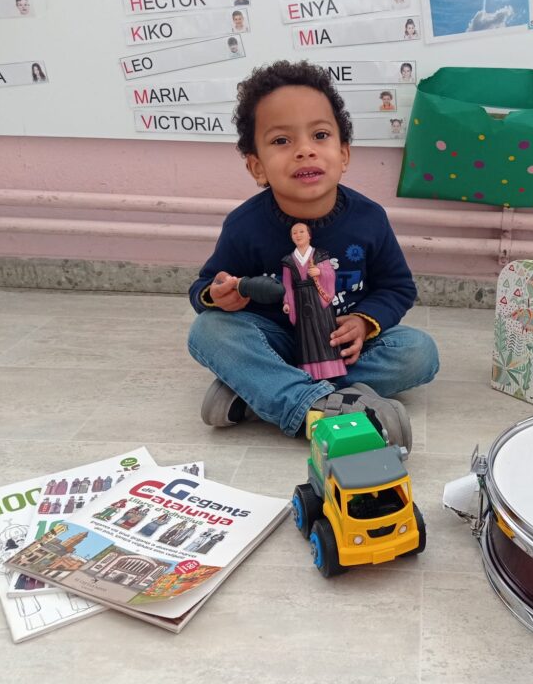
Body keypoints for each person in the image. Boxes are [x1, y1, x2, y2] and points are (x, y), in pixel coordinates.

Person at [187, 60, 438, 447]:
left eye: (320, 135)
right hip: (276, 343)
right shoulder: (244, 224)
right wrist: (218, 294)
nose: (304, 151)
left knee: (419, 352)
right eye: (281, 141)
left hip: (339, 345)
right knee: (209, 331)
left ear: (344, 154)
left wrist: (364, 322)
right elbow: (204, 288)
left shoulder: (369, 218)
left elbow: (397, 288)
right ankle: (315, 403)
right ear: (257, 167)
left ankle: (258, 394)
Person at [282, 222, 346, 379]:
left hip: (318, 298)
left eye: (301, 231)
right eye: (294, 233)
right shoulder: (288, 260)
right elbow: (287, 285)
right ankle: (309, 371)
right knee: (306, 337)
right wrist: (287, 302)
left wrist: (320, 271)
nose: (298, 235)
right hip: (300, 300)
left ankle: (332, 370)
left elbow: (330, 274)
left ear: (309, 235)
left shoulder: (320, 255)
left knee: (324, 331)